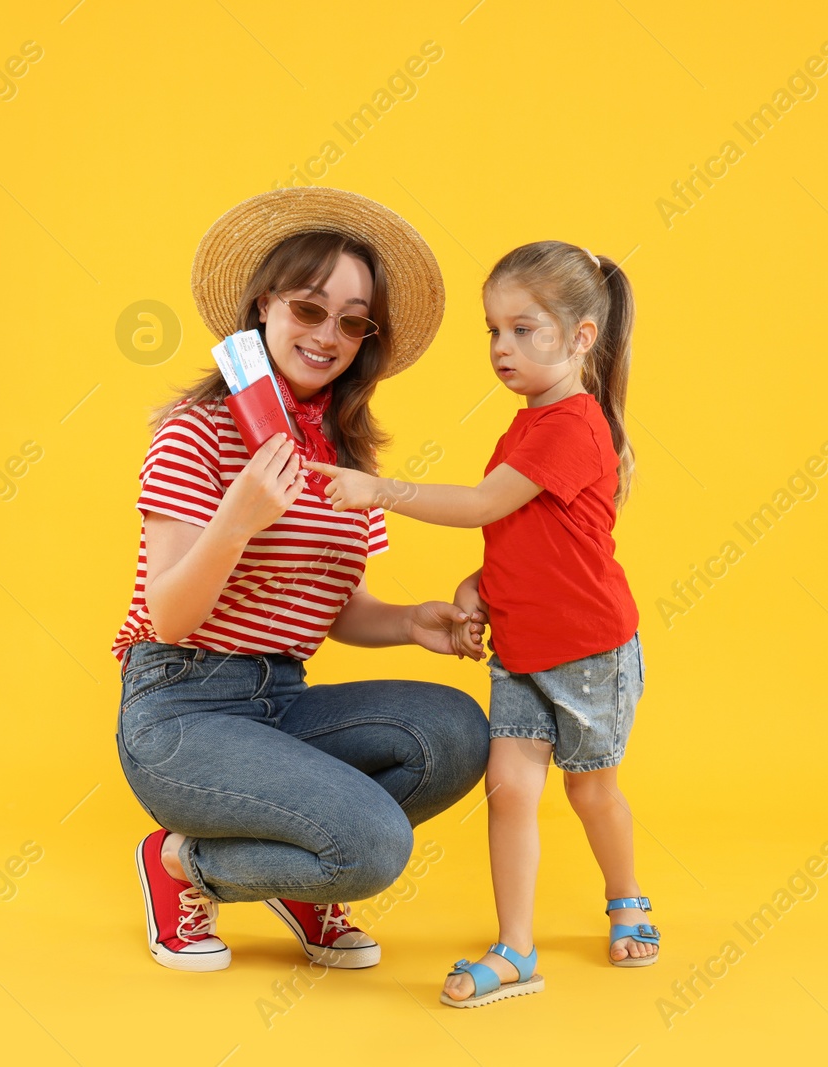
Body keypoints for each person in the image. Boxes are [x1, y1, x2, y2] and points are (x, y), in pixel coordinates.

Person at [113, 187, 491, 972]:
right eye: (309, 309)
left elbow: (337, 609)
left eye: (353, 321)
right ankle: (183, 862)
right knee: (376, 845)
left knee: (457, 731)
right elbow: (169, 616)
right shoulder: (196, 430)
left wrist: (412, 621)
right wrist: (238, 516)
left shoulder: (346, 455)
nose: (328, 335)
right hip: (182, 710)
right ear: (263, 308)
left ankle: (298, 858)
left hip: (280, 700)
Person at [305, 240, 652, 1007]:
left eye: (523, 329)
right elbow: (516, 536)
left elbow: (480, 506)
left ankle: (627, 895)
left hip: (590, 652)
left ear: (580, 337)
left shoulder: (571, 423)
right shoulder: (525, 426)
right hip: (522, 653)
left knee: (592, 793)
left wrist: (380, 490)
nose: (502, 347)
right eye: (493, 330)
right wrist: (477, 594)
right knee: (510, 792)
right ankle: (516, 947)